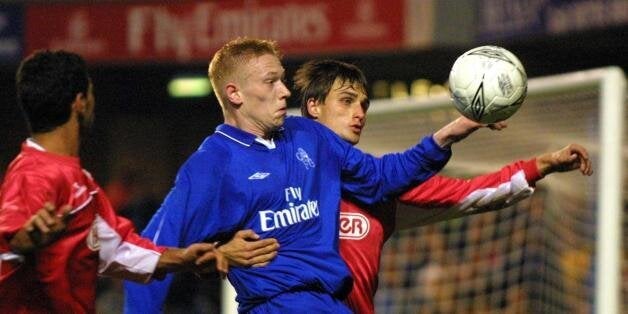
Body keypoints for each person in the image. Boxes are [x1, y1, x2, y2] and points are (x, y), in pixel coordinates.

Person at [124, 37, 492, 313]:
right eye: (271, 82)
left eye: (283, 80)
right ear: (234, 94)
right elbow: (152, 252)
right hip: (276, 305)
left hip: (331, 304)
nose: (285, 91)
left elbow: (381, 178)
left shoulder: (308, 135)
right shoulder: (212, 165)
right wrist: (218, 252)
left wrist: (449, 134)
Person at [292, 59, 593, 313]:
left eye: (363, 104)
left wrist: (541, 165)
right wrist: (240, 249)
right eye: (347, 101)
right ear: (313, 106)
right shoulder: (277, 168)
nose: (360, 112)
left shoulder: (382, 186)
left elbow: (470, 194)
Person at [0, 50, 278, 313]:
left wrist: (190, 257)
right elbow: (12, 239)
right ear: (80, 102)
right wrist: (21, 242)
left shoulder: (75, 179)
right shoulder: (35, 174)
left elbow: (119, 250)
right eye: (92, 93)